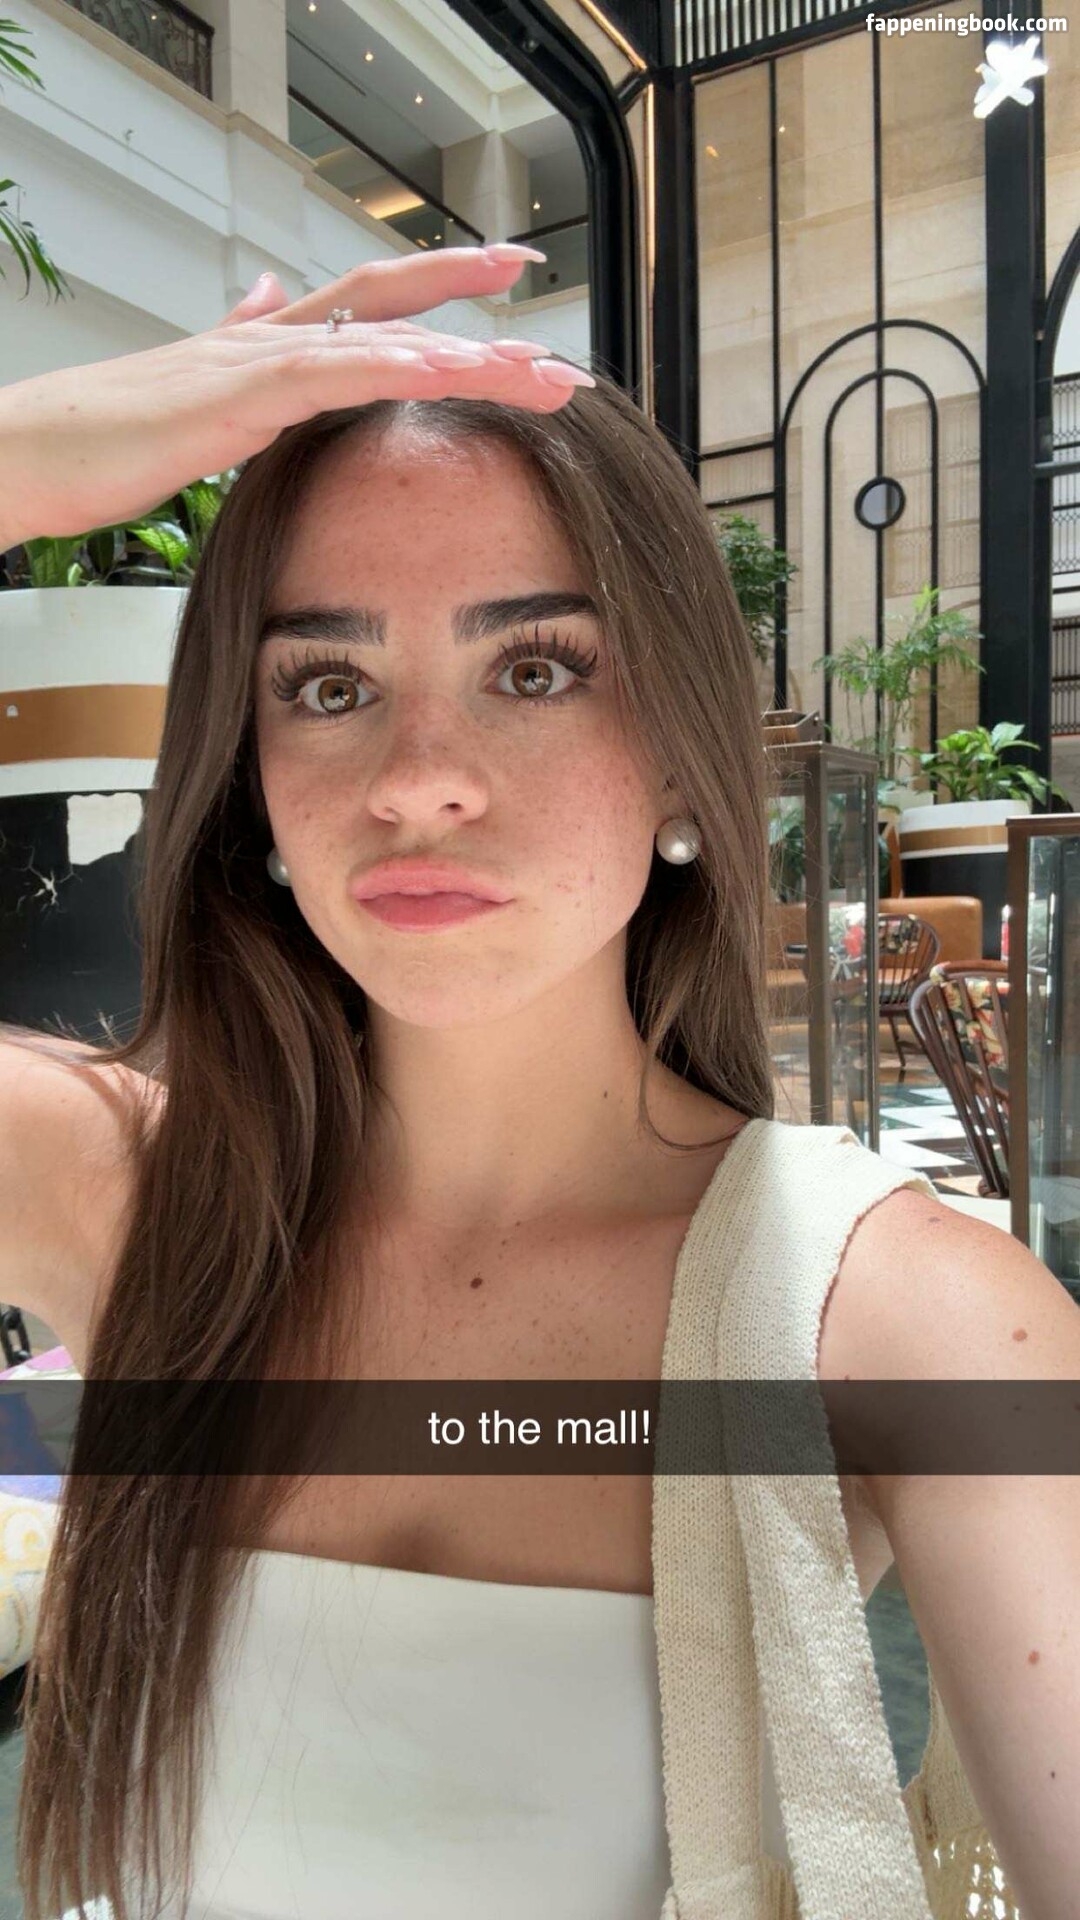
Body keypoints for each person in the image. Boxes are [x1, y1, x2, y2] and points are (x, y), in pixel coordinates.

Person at [0, 243, 1076, 1920]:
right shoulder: (126, 1189)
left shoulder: (902, 1317)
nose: (419, 781)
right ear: (252, 782)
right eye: (330, 686)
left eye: (535, 668)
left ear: (683, 763)